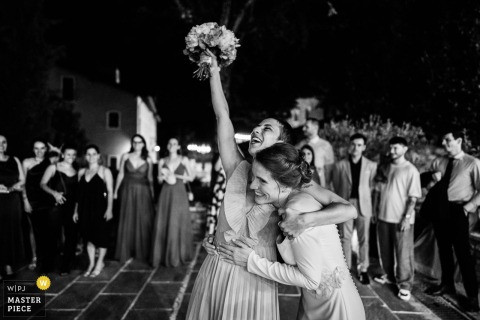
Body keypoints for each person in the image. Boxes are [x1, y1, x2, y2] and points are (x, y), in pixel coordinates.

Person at [185, 50, 357, 320]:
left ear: (281, 145)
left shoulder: (293, 183)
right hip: (217, 264)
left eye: (266, 129)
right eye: (256, 126)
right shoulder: (238, 168)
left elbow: (347, 210)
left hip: (256, 272)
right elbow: (222, 117)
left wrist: (306, 220)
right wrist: (214, 71)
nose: (256, 130)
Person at [219, 143, 365, 320]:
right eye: (253, 177)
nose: (252, 186)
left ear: (285, 184)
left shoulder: (295, 211)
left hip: (335, 309)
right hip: (313, 301)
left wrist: (250, 261)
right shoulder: (290, 202)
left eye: (262, 181)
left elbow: (311, 279)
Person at [424, 129, 480, 312]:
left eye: (448, 140)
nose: (444, 144)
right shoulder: (438, 162)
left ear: (459, 140)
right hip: (440, 210)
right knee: (444, 250)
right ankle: (446, 284)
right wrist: (431, 181)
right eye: (442, 141)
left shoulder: (472, 163)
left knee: (463, 254)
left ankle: (472, 296)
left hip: (459, 210)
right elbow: (428, 184)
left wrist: (467, 208)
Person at [372, 137, 421, 302]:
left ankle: (405, 286)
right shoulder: (385, 168)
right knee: (385, 251)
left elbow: (413, 198)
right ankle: (390, 276)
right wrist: (375, 210)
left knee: (403, 253)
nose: (392, 151)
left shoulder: (411, 170)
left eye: (396, 148)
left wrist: (406, 217)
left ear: (405, 149)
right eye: (391, 148)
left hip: (401, 220)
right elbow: (378, 191)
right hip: (383, 217)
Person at [331, 133, 377, 284]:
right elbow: (337, 186)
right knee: (345, 237)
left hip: (364, 206)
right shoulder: (339, 165)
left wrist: (373, 208)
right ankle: (346, 269)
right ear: (349, 146)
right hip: (346, 204)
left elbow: (371, 187)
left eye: (359, 145)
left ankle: (363, 269)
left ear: (364, 147)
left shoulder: (371, 165)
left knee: (364, 239)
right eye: (353, 144)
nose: (355, 147)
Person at [151, 138, 194, 267]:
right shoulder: (162, 161)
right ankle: (163, 255)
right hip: (166, 192)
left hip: (179, 191)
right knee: (164, 220)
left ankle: (178, 254)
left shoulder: (184, 159)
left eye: (175, 143)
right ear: (167, 146)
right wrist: (163, 177)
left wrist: (176, 176)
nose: (172, 145)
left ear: (178, 146)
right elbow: (159, 180)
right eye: (170, 143)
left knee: (177, 220)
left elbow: (191, 177)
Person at [73, 145, 113, 277]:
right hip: (85, 209)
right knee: (88, 238)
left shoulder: (104, 171)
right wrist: (76, 211)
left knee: (101, 238)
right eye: (88, 154)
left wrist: (109, 209)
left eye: (94, 154)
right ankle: (91, 263)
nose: (91, 156)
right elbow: (78, 195)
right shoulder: (81, 172)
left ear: (99, 155)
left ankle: (99, 263)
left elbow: (110, 192)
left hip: (100, 209)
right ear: (85, 156)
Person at [114, 134, 154, 263]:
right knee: (127, 218)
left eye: (139, 142)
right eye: (134, 142)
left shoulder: (148, 159)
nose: (137, 145)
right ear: (132, 144)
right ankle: (126, 250)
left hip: (143, 191)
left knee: (142, 219)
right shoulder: (125, 156)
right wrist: (115, 191)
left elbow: (150, 178)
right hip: (127, 189)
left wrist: (153, 195)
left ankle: (141, 250)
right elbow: (120, 174)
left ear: (143, 144)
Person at [40, 144, 79, 275]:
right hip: (56, 205)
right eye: (68, 154)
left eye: (74, 154)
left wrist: (76, 210)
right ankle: (47, 265)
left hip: (71, 206)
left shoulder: (77, 170)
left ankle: (65, 266)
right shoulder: (53, 167)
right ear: (62, 154)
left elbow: (78, 193)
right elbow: (42, 184)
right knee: (52, 235)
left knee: (71, 237)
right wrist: (54, 193)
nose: (71, 157)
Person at [0, 135, 26, 278]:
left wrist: (18, 185)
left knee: (10, 233)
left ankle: (9, 265)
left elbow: (22, 179)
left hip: (12, 201)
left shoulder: (14, 160)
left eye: (4, 142)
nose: (1, 145)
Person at [295, 109, 335, 188]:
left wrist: (325, 187)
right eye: (304, 126)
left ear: (315, 128)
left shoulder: (325, 145)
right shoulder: (299, 145)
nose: (303, 129)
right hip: (302, 186)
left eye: (307, 127)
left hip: (320, 185)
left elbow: (329, 168)